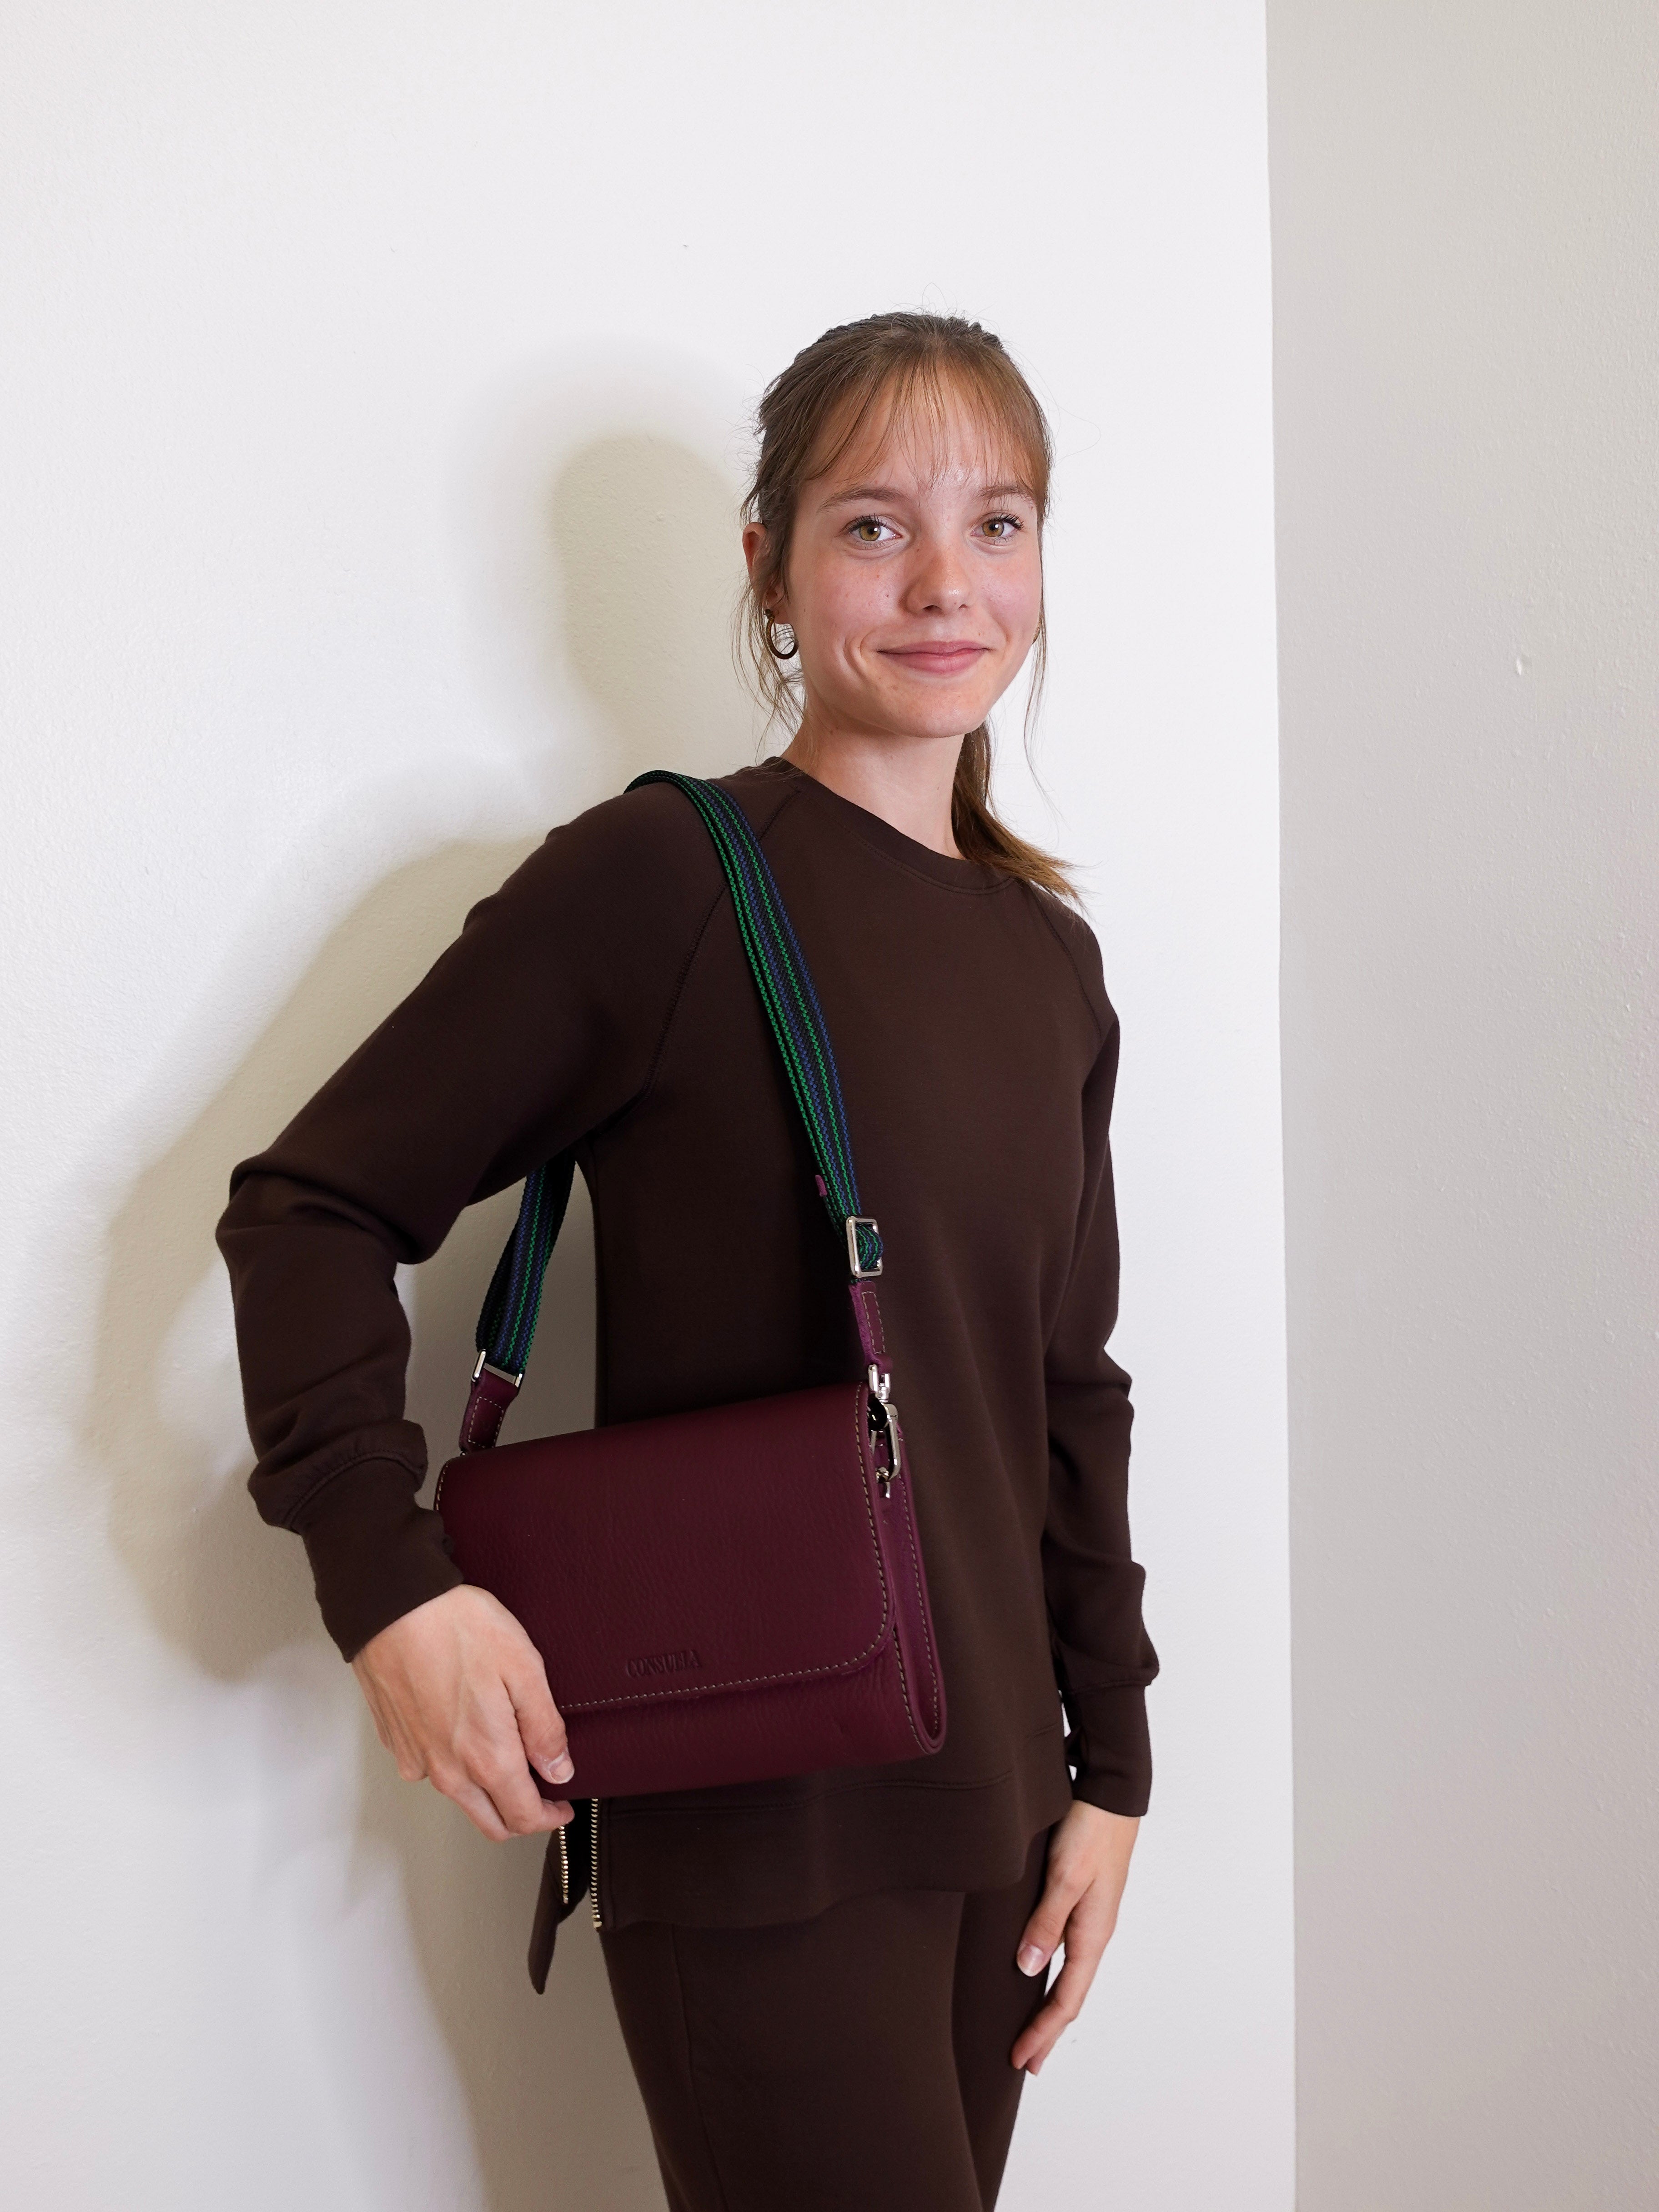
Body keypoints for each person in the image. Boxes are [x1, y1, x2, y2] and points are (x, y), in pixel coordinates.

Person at [217, 310, 1160, 2212]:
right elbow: (309, 1205)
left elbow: (1069, 1390)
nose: (946, 581)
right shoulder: (668, 881)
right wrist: (391, 1587)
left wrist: (1114, 1763)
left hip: (994, 1818)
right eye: (876, 525)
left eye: (1000, 522)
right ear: (770, 564)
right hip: (765, 1816)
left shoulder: (1048, 965)